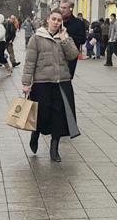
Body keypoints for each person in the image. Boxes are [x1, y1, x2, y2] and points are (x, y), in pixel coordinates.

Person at [22, 10, 81, 162]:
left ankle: (54, 148)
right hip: (42, 83)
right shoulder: (37, 38)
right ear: (47, 20)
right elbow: (29, 62)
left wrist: (64, 39)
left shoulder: (64, 38)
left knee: (58, 116)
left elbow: (74, 55)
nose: (56, 22)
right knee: (42, 114)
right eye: (53, 19)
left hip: (62, 83)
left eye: (59, 20)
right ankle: (35, 133)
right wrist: (26, 83)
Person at [59, 0, 88, 77]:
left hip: (70, 56)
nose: (62, 10)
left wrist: (68, 36)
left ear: (71, 9)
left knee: (67, 79)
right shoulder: (57, 22)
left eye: (65, 8)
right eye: (61, 7)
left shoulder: (78, 23)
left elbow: (82, 40)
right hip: (57, 54)